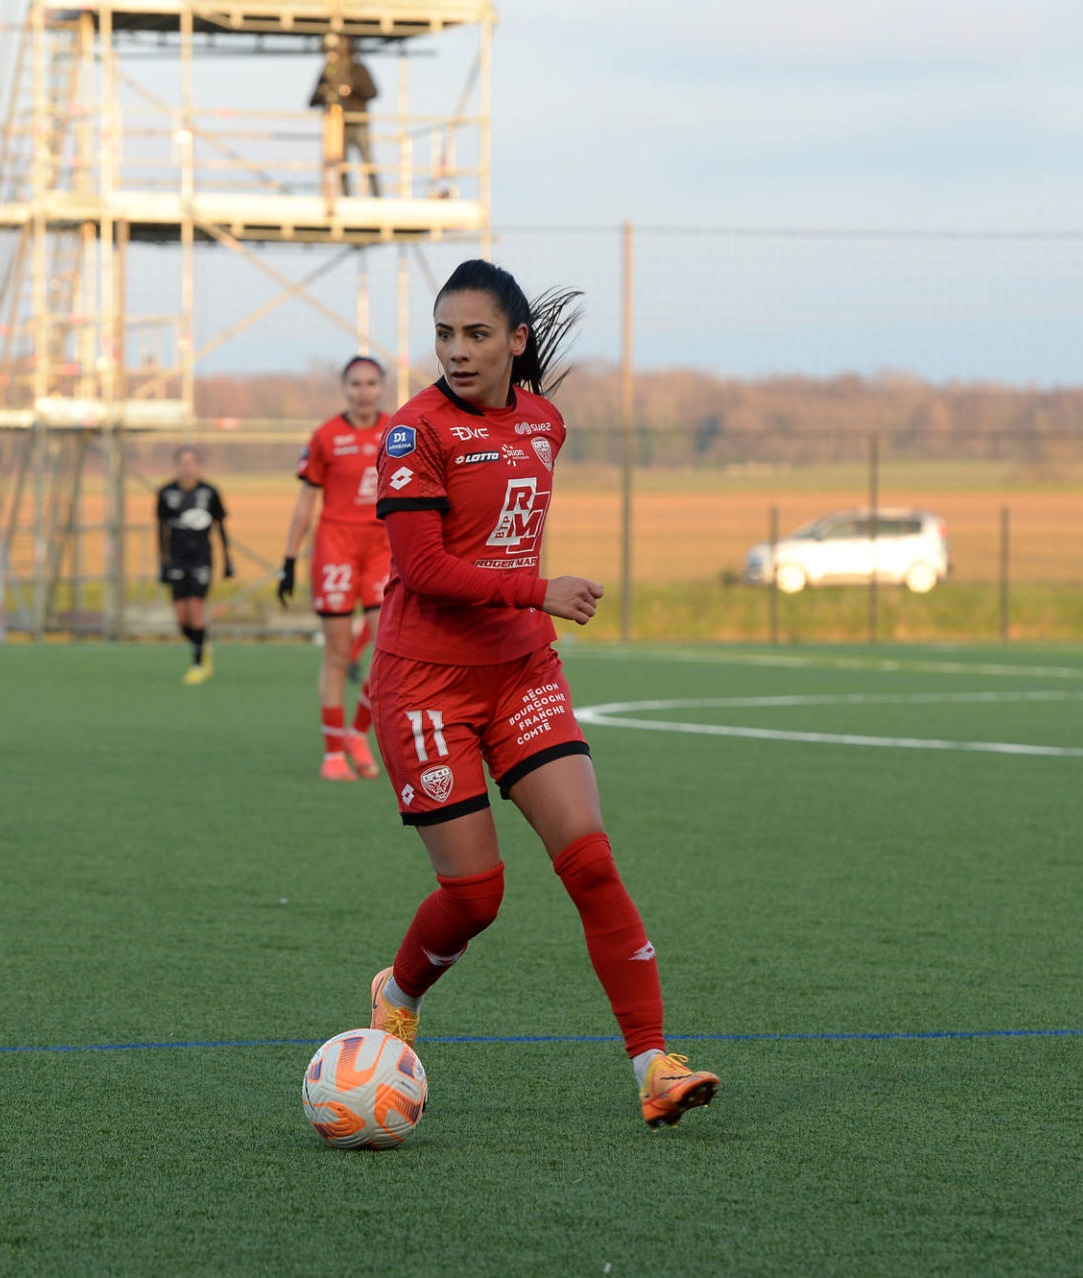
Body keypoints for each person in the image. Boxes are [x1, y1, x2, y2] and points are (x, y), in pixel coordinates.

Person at [363, 260, 720, 1128]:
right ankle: (401, 987)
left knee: (590, 861)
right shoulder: (415, 434)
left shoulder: (544, 423)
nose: (456, 350)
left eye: (476, 334)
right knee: (477, 897)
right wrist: (536, 589)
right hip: (425, 687)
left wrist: (528, 605)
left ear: (517, 341)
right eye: (444, 333)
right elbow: (422, 570)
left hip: (521, 669)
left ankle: (653, 1066)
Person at [277, 356, 391, 781]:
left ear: (381, 387)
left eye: (371, 383)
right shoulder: (326, 436)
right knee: (339, 652)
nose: (364, 391)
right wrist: (289, 558)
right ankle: (332, 753)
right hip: (336, 546)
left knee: (386, 651)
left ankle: (358, 733)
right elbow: (307, 501)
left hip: (382, 547)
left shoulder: (399, 430)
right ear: (345, 388)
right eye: (356, 384)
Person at [157, 445, 233, 685]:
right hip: (177, 559)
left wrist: (228, 561)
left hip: (201, 559)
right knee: (181, 619)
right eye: (183, 462)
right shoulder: (166, 493)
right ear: (177, 465)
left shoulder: (210, 492)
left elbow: (221, 527)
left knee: (196, 611)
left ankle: (199, 664)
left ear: (198, 466)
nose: (187, 467)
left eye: (192, 462)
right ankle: (202, 643)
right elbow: (161, 531)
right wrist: (163, 564)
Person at [308, 33, 382, 197]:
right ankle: (346, 195)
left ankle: (376, 195)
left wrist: (352, 89)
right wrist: (324, 93)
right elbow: (312, 100)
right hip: (338, 124)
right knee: (341, 163)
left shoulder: (358, 69)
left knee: (367, 160)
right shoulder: (327, 71)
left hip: (358, 122)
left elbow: (372, 92)